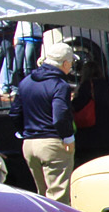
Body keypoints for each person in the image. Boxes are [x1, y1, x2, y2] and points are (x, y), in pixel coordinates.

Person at [16, 44, 77, 202]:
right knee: (59, 198)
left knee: (42, 197)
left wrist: (23, 133)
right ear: (65, 63)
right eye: (71, 62)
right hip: (52, 143)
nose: (71, 66)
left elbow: (15, 112)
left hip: (29, 144)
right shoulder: (60, 85)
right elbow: (60, 115)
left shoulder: (25, 82)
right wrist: (68, 137)